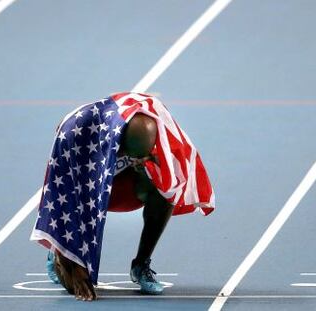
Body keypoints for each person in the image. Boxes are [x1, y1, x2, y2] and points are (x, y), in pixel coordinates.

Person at [31, 92, 215, 301]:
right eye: (132, 154)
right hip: (87, 188)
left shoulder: (157, 130)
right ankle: (58, 246)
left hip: (126, 185)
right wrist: (69, 256)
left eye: (142, 156)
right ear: (119, 139)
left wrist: (147, 161)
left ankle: (141, 264)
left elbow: (180, 174)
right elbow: (61, 199)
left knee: (163, 189)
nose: (136, 160)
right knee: (74, 285)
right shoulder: (76, 134)